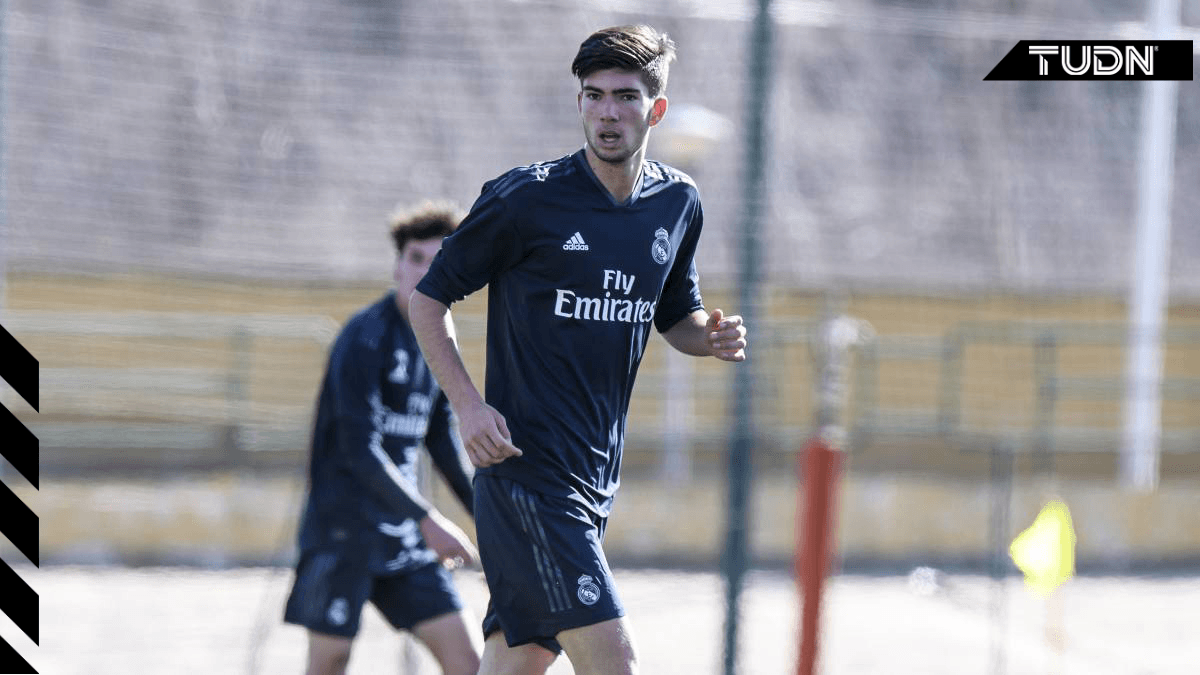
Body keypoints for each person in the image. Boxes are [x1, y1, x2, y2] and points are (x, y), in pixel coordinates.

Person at [409, 24, 748, 675]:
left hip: (594, 478)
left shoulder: (677, 203)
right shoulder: (525, 198)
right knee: (613, 659)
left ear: (657, 109)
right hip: (525, 474)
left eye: (624, 96)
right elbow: (429, 298)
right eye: (593, 96)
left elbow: (675, 315)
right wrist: (469, 407)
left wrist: (710, 337)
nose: (607, 113)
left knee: (519, 658)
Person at [283, 203, 483, 675]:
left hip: (403, 539)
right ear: (397, 264)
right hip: (343, 534)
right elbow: (359, 448)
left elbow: (443, 445)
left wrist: (491, 518)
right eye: (415, 258)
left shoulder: (437, 342)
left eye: (437, 262)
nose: (423, 271)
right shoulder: (364, 337)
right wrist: (428, 519)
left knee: (469, 661)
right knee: (329, 661)